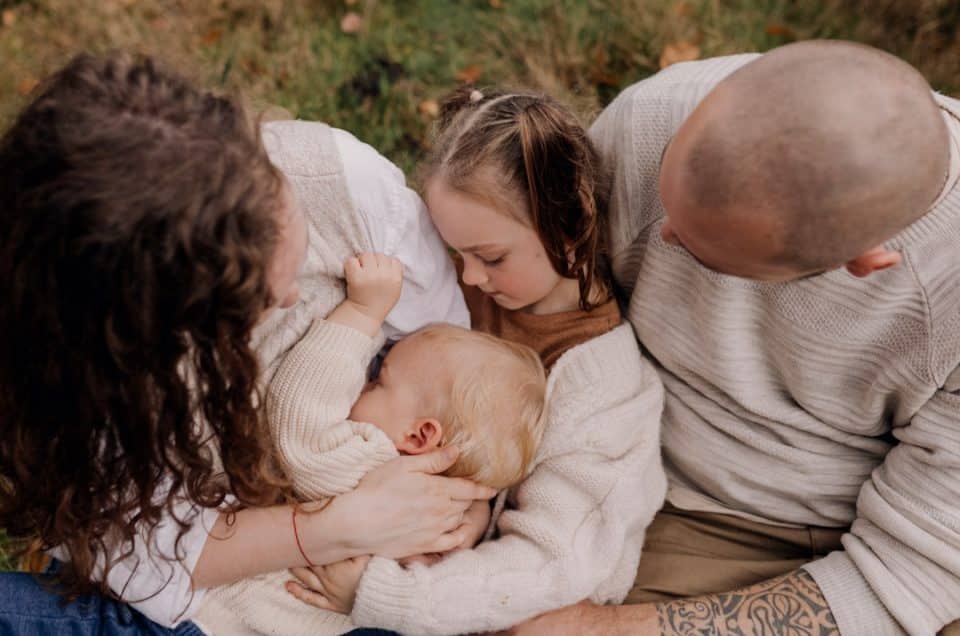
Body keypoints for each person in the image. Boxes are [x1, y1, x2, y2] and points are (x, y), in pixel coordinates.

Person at [0, 52, 494, 634]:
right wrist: (335, 526)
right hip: (191, 609)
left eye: (285, 228)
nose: (290, 298)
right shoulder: (81, 373)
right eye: (244, 302)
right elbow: (146, 558)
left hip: (346, 600)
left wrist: (462, 506)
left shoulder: (344, 184)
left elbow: (459, 368)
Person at [503, 39, 960, 635]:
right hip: (599, 427)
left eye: (700, 252)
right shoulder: (654, 114)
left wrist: (604, 630)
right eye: (667, 199)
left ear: (862, 263)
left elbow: (911, 578)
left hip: (782, 528)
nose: (661, 235)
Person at [288, 87, 668, 636]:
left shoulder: (605, 387)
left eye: (490, 257)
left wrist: (388, 593)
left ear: (570, 221)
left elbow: (556, 561)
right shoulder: (452, 291)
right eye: (454, 253)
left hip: (438, 602)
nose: (468, 279)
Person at [194, 252, 548, 635]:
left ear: (418, 436)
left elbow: (298, 410)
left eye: (379, 380)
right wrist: (477, 511)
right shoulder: (448, 524)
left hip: (208, 621)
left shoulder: (371, 463)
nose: (364, 381)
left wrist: (362, 315)